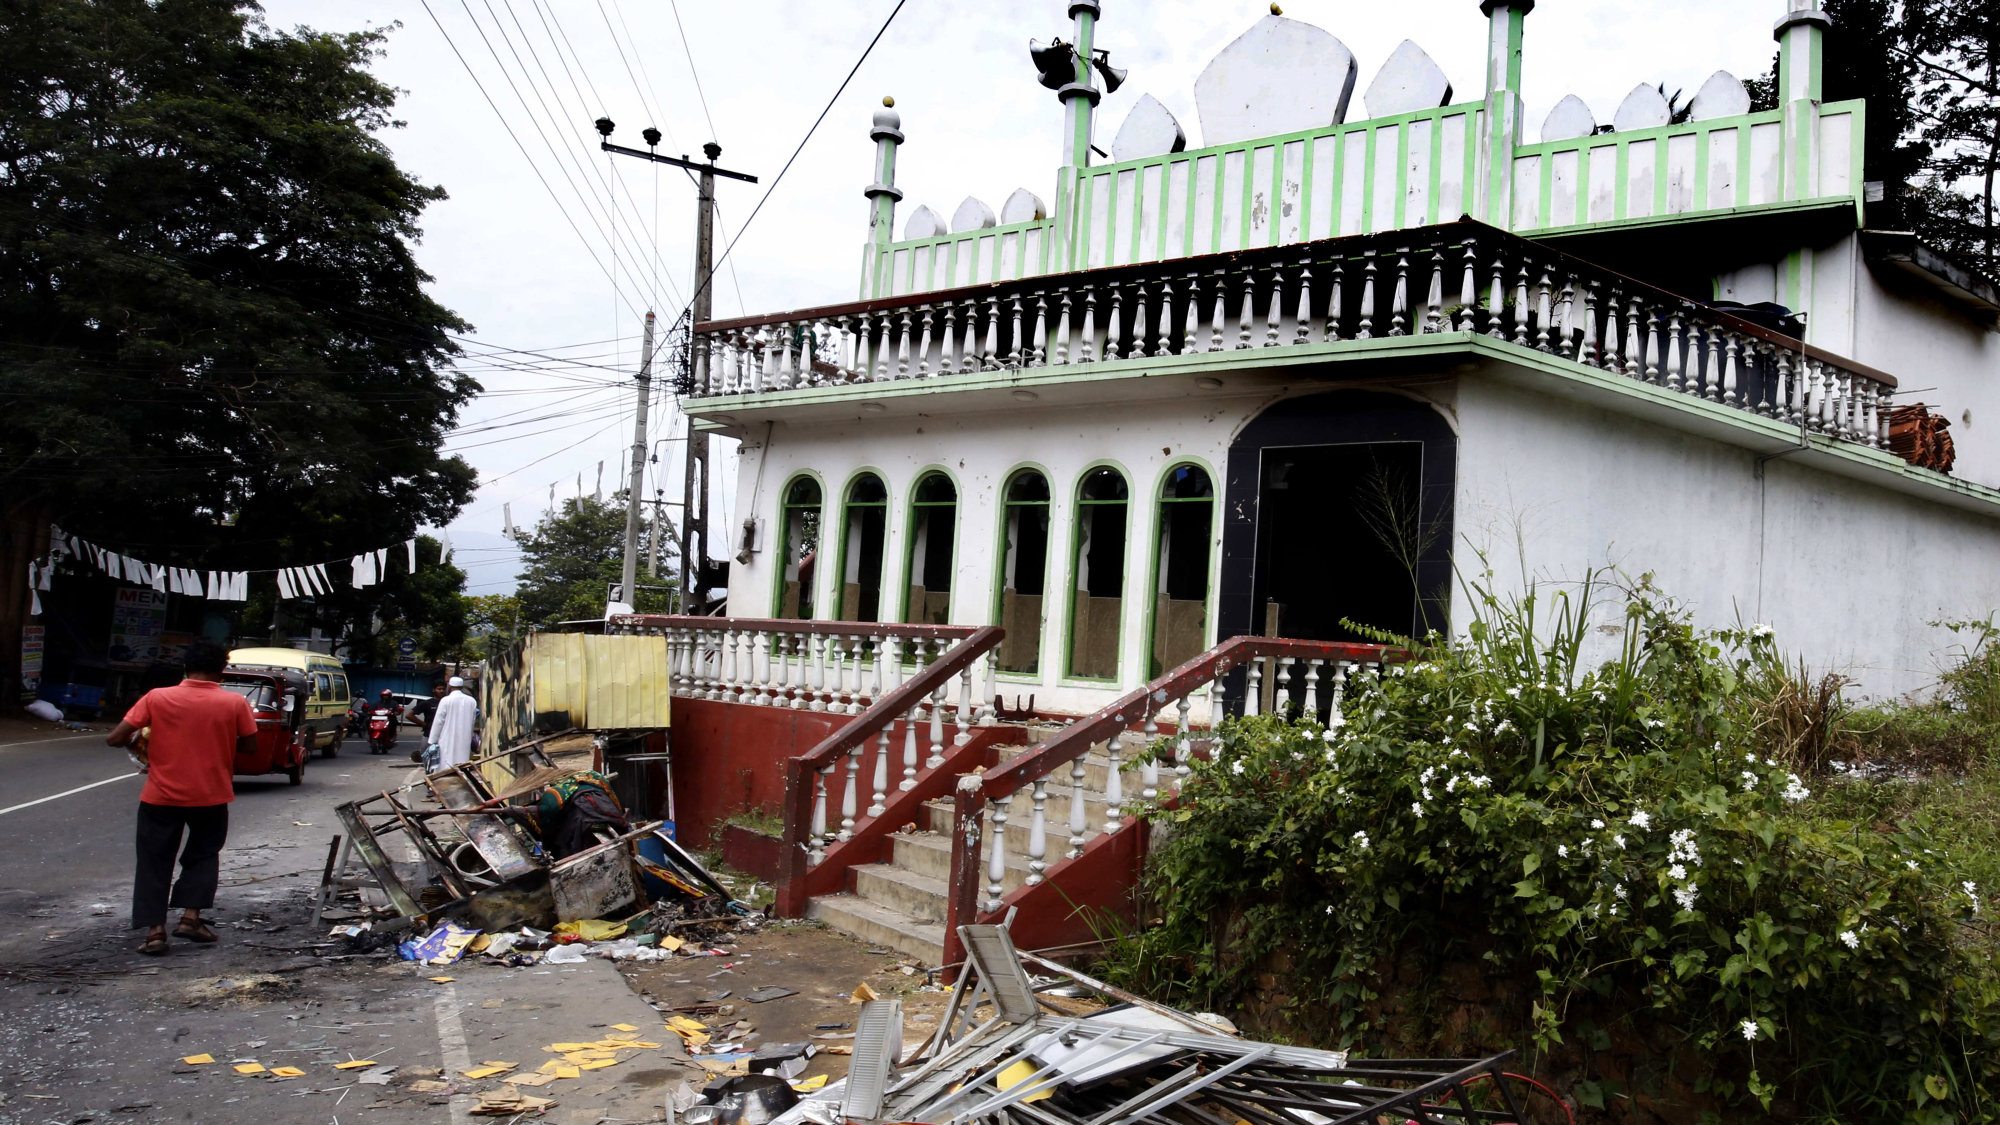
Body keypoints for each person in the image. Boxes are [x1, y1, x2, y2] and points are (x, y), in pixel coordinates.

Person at [106, 640, 256, 956]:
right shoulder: (234, 704)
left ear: (185, 667)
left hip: (159, 797)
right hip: (211, 796)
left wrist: (146, 742)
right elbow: (250, 746)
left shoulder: (157, 698)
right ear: (222, 671)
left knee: (153, 862)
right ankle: (190, 918)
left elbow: (115, 738)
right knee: (203, 855)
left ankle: (155, 932)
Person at [428, 675, 478, 771]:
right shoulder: (472, 701)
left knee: (445, 763)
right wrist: (470, 736)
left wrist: (432, 741)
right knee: (462, 762)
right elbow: (473, 721)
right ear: (462, 687)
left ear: (449, 686)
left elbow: (439, 721)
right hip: (464, 738)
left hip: (446, 738)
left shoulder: (445, 700)